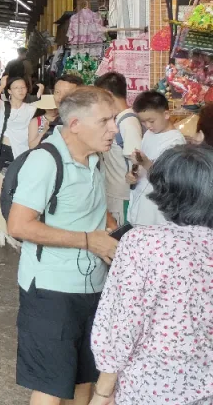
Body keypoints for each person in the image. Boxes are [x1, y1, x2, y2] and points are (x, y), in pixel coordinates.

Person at [5, 87, 121, 405]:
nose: (114, 128)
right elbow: (19, 225)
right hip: (50, 292)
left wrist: (112, 230)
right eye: (105, 121)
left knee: (84, 378)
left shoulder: (95, 158)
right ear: (75, 125)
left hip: (94, 287)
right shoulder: (46, 161)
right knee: (52, 386)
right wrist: (88, 240)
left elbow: (92, 209)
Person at [89, 144, 213, 405]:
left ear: (164, 189)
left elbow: (124, 324)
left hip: (149, 388)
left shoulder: (144, 243)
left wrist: (103, 390)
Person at [0, 74, 44, 251]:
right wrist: (1, 85)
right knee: (0, 195)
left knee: (19, 195)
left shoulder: (30, 108)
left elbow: (47, 107)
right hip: (6, 153)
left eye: (23, 87)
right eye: (16, 88)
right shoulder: (3, 106)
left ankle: (9, 232)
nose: (20, 90)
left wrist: (40, 92)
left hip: (24, 156)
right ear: (9, 91)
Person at [125, 91, 186, 227]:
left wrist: (145, 162)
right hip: (141, 201)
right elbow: (141, 166)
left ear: (166, 114)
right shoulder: (149, 133)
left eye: (151, 121)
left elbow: (168, 178)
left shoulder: (176, 142)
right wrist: (133, 173)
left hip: (157, 210)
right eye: (143, 122)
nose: (148, 125)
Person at [93, 72, 143, 226]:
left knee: (121, 233)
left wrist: (133, 173)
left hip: (123, 195)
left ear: (108, 94)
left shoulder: (128, 122)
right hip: (114, 192)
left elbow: (136, 158)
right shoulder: (118, 119)